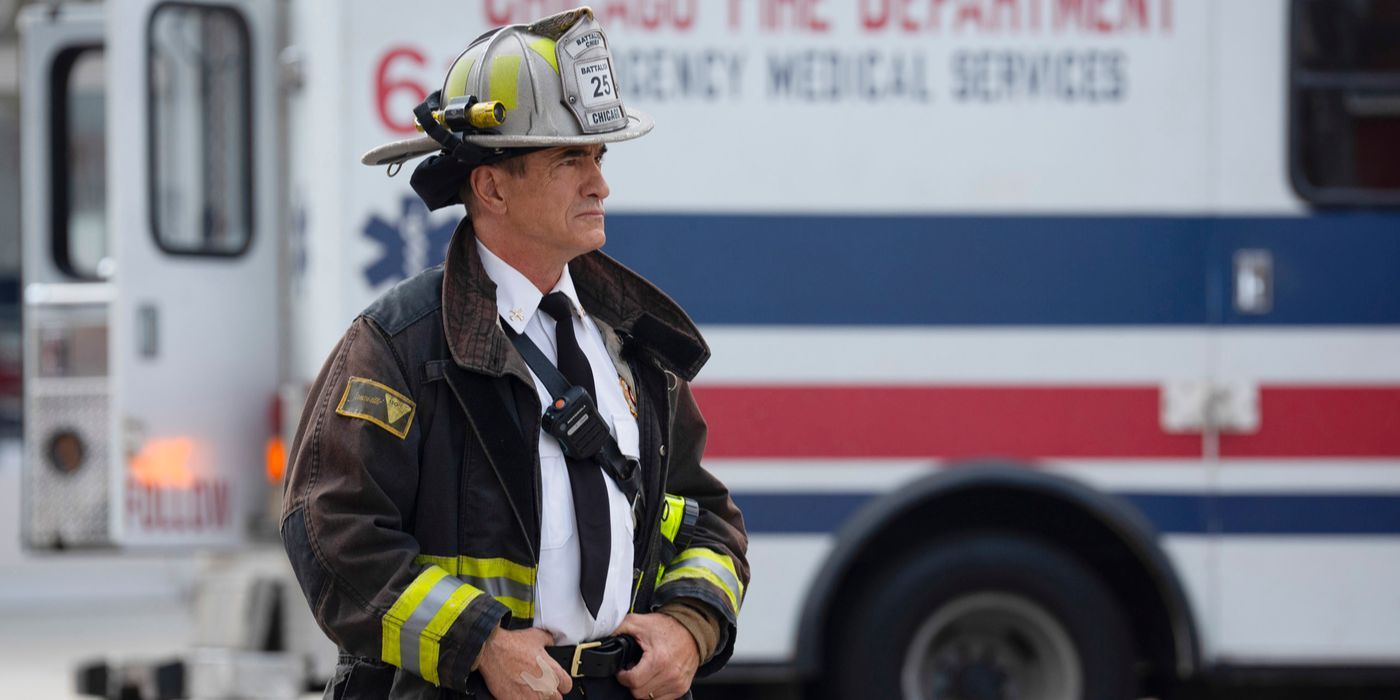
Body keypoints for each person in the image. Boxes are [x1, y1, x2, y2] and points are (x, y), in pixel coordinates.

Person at [280, 7, 748, 700]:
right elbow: (331, 535)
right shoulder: (401, 346)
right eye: (570, 160)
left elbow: (706, 517)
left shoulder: (631, 345)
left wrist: (690, 625)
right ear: (491, 186)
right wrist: (481, 645)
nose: (600, 185)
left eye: (598, 157)